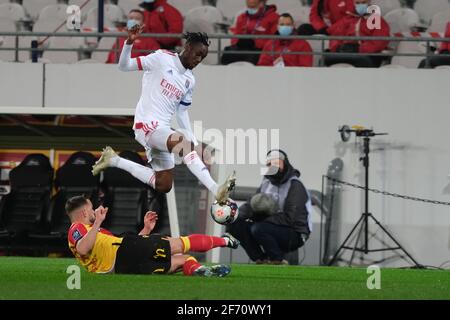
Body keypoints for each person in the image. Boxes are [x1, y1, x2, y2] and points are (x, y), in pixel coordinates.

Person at [92, 27, 236, 205]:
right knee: (183, 144)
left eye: (203, 57)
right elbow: (124, 66)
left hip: (162, 131)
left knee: (164, 184)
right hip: (146, 125)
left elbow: (182, 111)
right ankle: (216, 189)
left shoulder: (189, 80)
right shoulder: (161, 58)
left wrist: (192, 141)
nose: (198, 60)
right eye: (197, 54)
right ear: (188, 47)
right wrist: (129, 42)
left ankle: (114, 160)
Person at [66, 195, 239, 276]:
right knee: (179, 243)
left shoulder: (91, 232)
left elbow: (124, 247)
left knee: (183, 260)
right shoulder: (78, 227)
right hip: (122, 256)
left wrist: (146, 230)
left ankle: (202, 271)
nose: (94, 211)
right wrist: (98, 222)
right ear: (83, 213)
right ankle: (225, 240)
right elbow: (83, 248)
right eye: (91, 209)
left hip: (123, 267)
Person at [227, 150, 312, 265]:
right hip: (269, 226)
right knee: (235, 225)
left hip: (296, 233)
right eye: (269, 165)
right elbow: (251, 205)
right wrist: (233, 216)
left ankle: (278, 259)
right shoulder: (266, 183)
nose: (272, 167)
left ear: (285, 163)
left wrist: (261, 221)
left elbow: (290, 218)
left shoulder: (295, 186)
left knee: (258, 228)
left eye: (276, 163)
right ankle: (261, 259)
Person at [324, 0, 390, 68]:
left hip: (367, 56)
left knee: (360, 60)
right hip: (345, 55)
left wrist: (359, 49)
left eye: (363, 2)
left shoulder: (377, 20)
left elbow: (379, 42)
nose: (360, 5)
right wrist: (338, 48)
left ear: (369, 3)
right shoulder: (347, 19)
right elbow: (334, 37)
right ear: (354, 3)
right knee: (327, 58)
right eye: (357, 3)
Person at [221, 0, 279, 65]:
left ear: (262, 3)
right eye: (249, 6)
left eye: (253, 6)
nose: (251, 9)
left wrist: (255, 42)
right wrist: (239, 41)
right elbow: (235, 35)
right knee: (227, 54)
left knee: (252, 57)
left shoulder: (273, 17)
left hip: (260, 51)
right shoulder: (242, 17)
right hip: (241, 49)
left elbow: (275, 40)